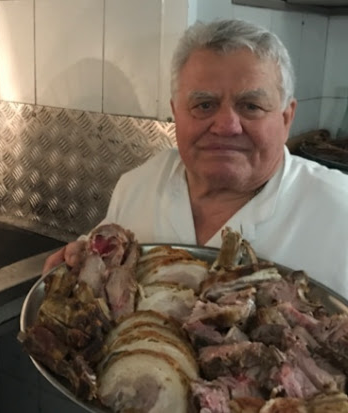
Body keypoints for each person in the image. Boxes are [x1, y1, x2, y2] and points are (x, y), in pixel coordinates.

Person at [43, 19, 348, 298]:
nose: (226, 126)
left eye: (251, 106)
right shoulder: (137, 187)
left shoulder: (339, 212)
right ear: (176, 113)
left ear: (286, 118)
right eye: (204, 105)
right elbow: (97, 259)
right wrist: (76, 259)